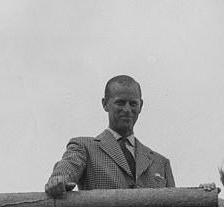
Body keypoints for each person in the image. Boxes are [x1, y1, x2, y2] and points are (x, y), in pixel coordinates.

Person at [45, 75, 174, 197]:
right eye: (120, 103)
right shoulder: (84, 147)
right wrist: (59, 179)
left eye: (133, 103)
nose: (127, 109)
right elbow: (69, 167)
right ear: (105, 104)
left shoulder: (161, 163)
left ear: (141, 106)